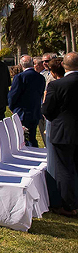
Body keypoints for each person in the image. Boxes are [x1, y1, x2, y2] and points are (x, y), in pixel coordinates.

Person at [42, 52, 78, 218]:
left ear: (64, 65)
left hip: (64, 132)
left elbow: (47, 110)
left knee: (64, 169)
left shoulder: (57, 85)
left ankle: (68, 205)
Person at [8, 55, 47, 147]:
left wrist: (12, 107)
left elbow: (13, 95)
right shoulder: (40, 77)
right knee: (32, 135)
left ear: (21, 65)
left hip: (22, 111)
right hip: (35, 110)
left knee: (24, 137)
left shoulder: (20, 77)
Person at [44, 59, 65, 210]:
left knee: (61, 166)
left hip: (59, 127)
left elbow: (47, 109)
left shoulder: (55, 85)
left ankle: (61, 202)